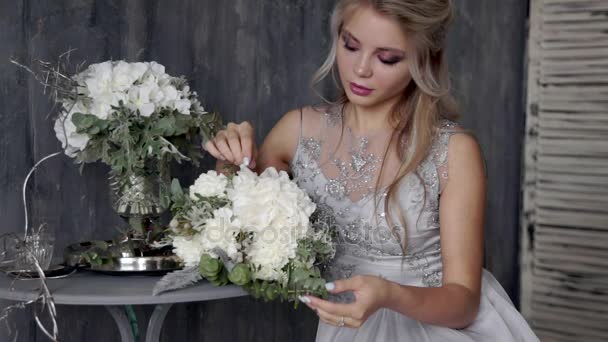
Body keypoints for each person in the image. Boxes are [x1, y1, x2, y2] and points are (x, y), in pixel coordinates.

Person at [204, 0, 539, 341]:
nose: (360, 69)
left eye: (387, 58)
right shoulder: (297, 131)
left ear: (424, 60)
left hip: (438, 328)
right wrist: (229, 162)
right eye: (350, 45)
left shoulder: (453, 151)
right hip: (347, 330)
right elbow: (240, 235)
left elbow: (465, 302)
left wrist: (390, 294)